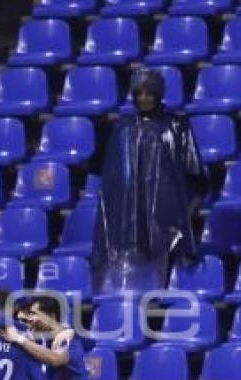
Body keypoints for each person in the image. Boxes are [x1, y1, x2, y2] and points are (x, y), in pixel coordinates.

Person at [91, 68, 208, 295]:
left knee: (162, 259)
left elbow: (193, 171)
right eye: (139, 93)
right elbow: (107, 173)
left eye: (149, 92)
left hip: (165, 212)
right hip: (127, 214)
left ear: (159, 93)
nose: (144, 98)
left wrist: (184, 208)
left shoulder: (176, 126)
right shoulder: (120, 129)